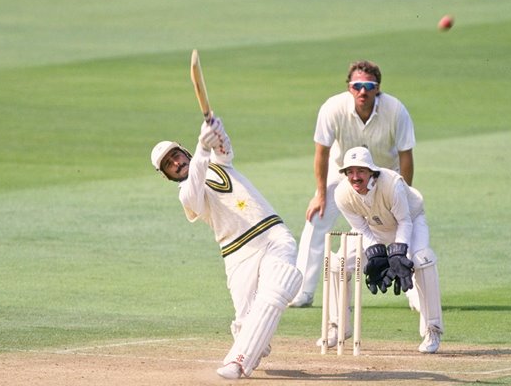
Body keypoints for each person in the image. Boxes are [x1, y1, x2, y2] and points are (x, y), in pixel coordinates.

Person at [150, 116, 302, 379]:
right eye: (168, 164)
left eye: (175, 155)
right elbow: (196, 178)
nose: (175, 163)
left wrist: (215, 128)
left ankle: (237, 361)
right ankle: (253, 337)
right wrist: (201, 147)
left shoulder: (220, 162)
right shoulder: (186, 194)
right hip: (237, 254)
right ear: (166, 175)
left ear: (182, 151)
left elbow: (224, 146)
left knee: (277, 288)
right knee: (246, 320)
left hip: (272, 235)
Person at [291, 60, 417, 308]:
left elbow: (406, 156)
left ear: (377, 88)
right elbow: (322, 152)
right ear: (349, 87)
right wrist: (320, 193)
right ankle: (302, 292)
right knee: (316, 218)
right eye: (357, 85)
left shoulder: (396, 110)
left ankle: (413, 293)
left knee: (403, 226)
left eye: (369, 86)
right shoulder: (333, 108)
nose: (363, 91)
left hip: (385, 177)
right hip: (345, 175)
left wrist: (404, 193)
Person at [319, 146, 443, 353]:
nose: (355, 177)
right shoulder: (342, 193)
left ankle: (432, 329)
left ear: (371, 172)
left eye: (360, 171)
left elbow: (404, 221)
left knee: (423, 260)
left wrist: (397, 252)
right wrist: (375, 252)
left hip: (410, 222)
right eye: (350, 172)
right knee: (337, 263)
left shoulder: (392, 184)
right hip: (374, 228)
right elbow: (360, 227)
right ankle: (338, 326)